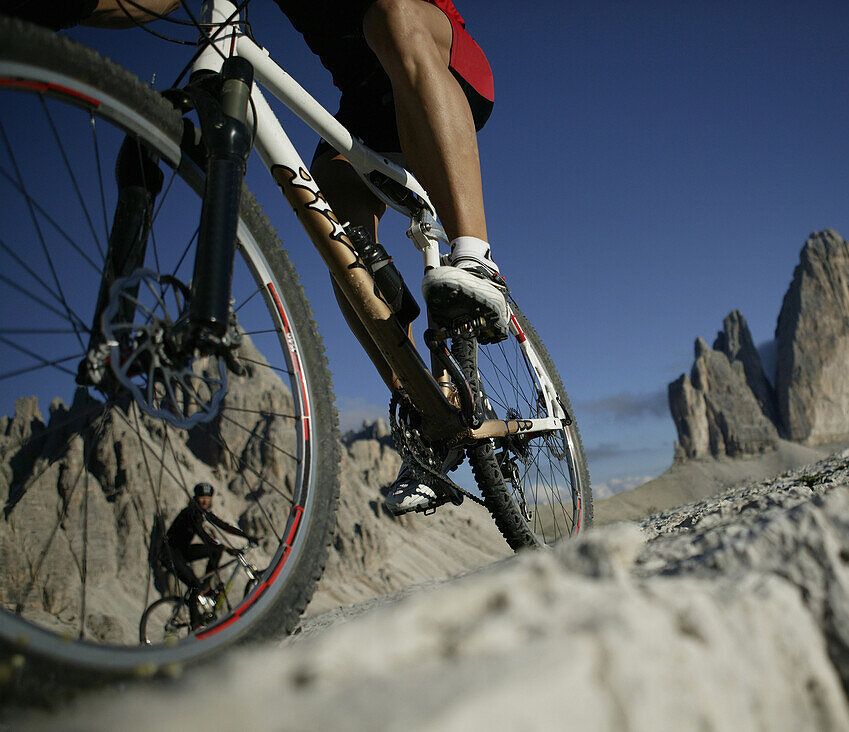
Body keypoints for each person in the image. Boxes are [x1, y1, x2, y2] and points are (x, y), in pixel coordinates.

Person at [7, 0, 502, 515]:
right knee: (335, 223)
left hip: (439, 55)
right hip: (365, 107)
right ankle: (426, 409)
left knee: (390, 16)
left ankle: (475, 253)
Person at [166, 482, 252, 624]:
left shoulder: (202, 513)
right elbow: (204, 536)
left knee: (214, 551)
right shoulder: (191, 513)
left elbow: (224, 526)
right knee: (194, 585)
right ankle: (195, 627)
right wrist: (226, 549)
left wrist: (246, 536)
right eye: (202, 497)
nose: (205, 500)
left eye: (208, 497)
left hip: (183, 551)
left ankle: (205, 587)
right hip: (170, 554)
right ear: (196, 498)